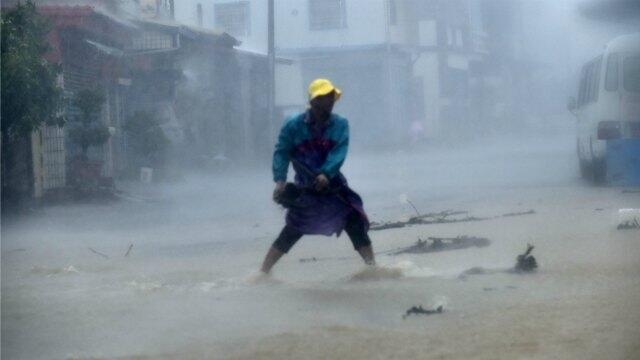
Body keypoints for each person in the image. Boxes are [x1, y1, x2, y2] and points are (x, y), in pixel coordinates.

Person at [260, 79, 375, 274]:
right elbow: (282, 152)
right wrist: (280, 180)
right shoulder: (293, 126)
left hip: (332, 186)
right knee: (293, 229)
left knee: (353, 222)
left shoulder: (340, 125)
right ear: (313, 101)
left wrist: (326, 173)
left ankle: (373, 269)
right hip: (306, 188)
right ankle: (262, 273)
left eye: (332, 97)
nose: (330, 101)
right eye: (325, 97)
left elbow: (339, 152)